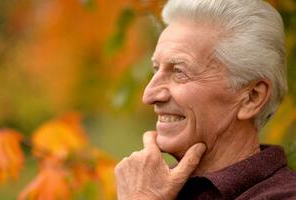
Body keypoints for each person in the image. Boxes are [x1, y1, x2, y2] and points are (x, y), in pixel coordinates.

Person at [114, 0, 296, 199]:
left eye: (179, 71)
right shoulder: (155, 186)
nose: (149, 95)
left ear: (251, 97)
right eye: (156, 69)